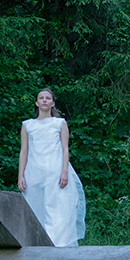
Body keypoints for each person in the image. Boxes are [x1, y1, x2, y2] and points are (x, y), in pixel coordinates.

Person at [17, 88, 86, 247]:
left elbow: (65, 148)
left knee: (58, 210)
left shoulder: (60, 123)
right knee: (35, 208)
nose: (44, 100)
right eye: (41, 98)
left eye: (48, 98)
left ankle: (58, 246)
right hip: (34, 173)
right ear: (37, 102)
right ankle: (36, 246)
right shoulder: (28, 125)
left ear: (52, 103)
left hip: (55, 172)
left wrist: (64, 172)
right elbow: (24, 151)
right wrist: (21, 175)